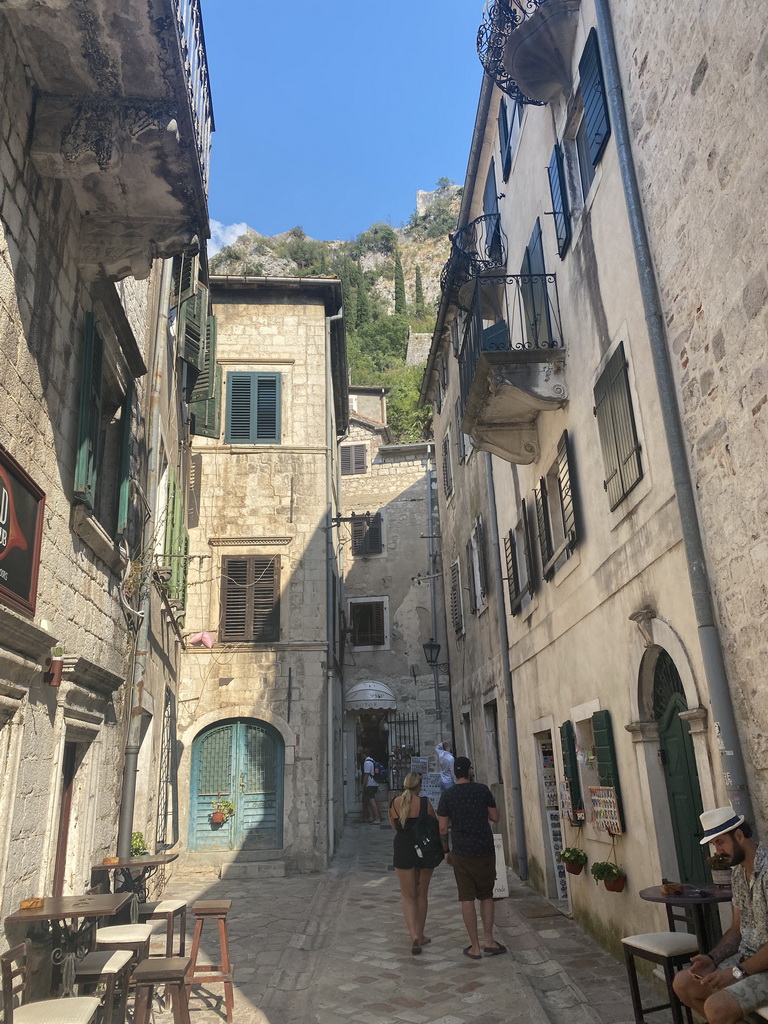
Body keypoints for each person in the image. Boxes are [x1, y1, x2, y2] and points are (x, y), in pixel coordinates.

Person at [673, 805, 768, 1023]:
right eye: (715, 845)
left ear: (739, 835)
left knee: (716, 1007)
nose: (717, 851)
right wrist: (711, 958)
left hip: (763, 968)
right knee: (683, 983)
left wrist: (737, 972)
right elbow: (736, 930)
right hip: (746, 960)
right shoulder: (738, 874)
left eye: (720, 842)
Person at [437, 755, 507, 959]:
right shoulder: (482, 790)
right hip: (484, 849)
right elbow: (495, 817)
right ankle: (489, 940)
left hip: (461, 851)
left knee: (466, 898)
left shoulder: (448, 796)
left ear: (454, 773)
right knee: (486, 895)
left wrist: (446, 850)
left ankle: (474, 946)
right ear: (469, 771)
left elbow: (442, 827)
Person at [389, 772, 439, 955]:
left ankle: (413, 936)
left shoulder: (394, 803)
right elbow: (434, 825)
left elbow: (394, 826)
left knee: (407, 895)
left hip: (402, 847)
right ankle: (421, 932)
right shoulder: (425, 804)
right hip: (423, 850)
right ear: (419, 786)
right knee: (421, 893)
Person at [361, 749, 381, 824]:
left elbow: (366, 774)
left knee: (372, 801)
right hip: (374, 783)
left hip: (370, 784)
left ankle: (377, 819)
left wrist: (363, 785)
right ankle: (376, 817)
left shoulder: (367, 762)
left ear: (364, 754)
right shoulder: (372, 761)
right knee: (373, 801)